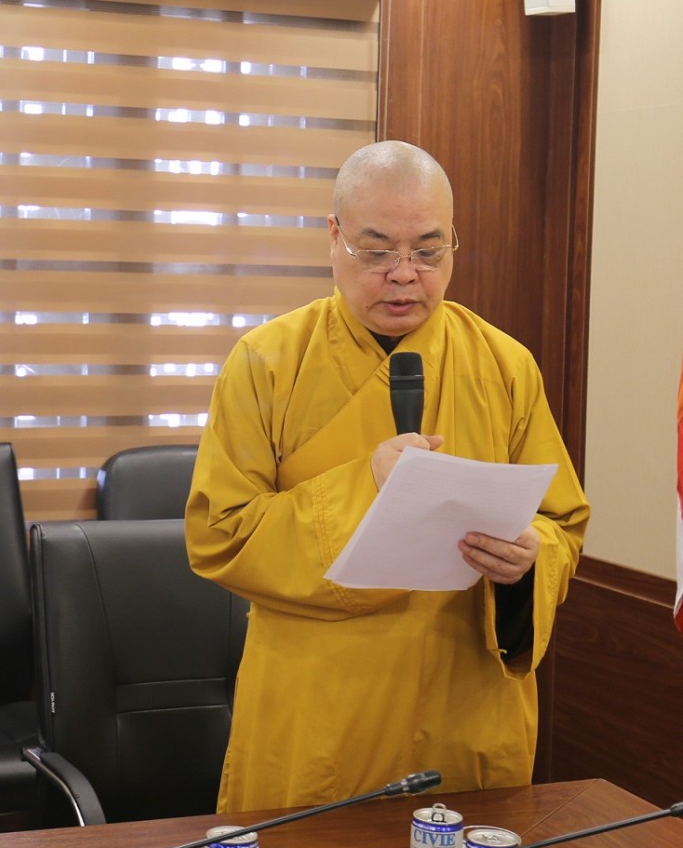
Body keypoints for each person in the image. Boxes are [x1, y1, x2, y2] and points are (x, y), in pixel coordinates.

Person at [186, 140, 589, 812]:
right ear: (334, 237)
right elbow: (220, 535)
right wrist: (365, 486)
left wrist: (530, 559)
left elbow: (561, 523)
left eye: (429, 251)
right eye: (377, 251)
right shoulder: (266, 363)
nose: (405, 275)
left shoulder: (506, 365)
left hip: (468, 716)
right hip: (322, 719)